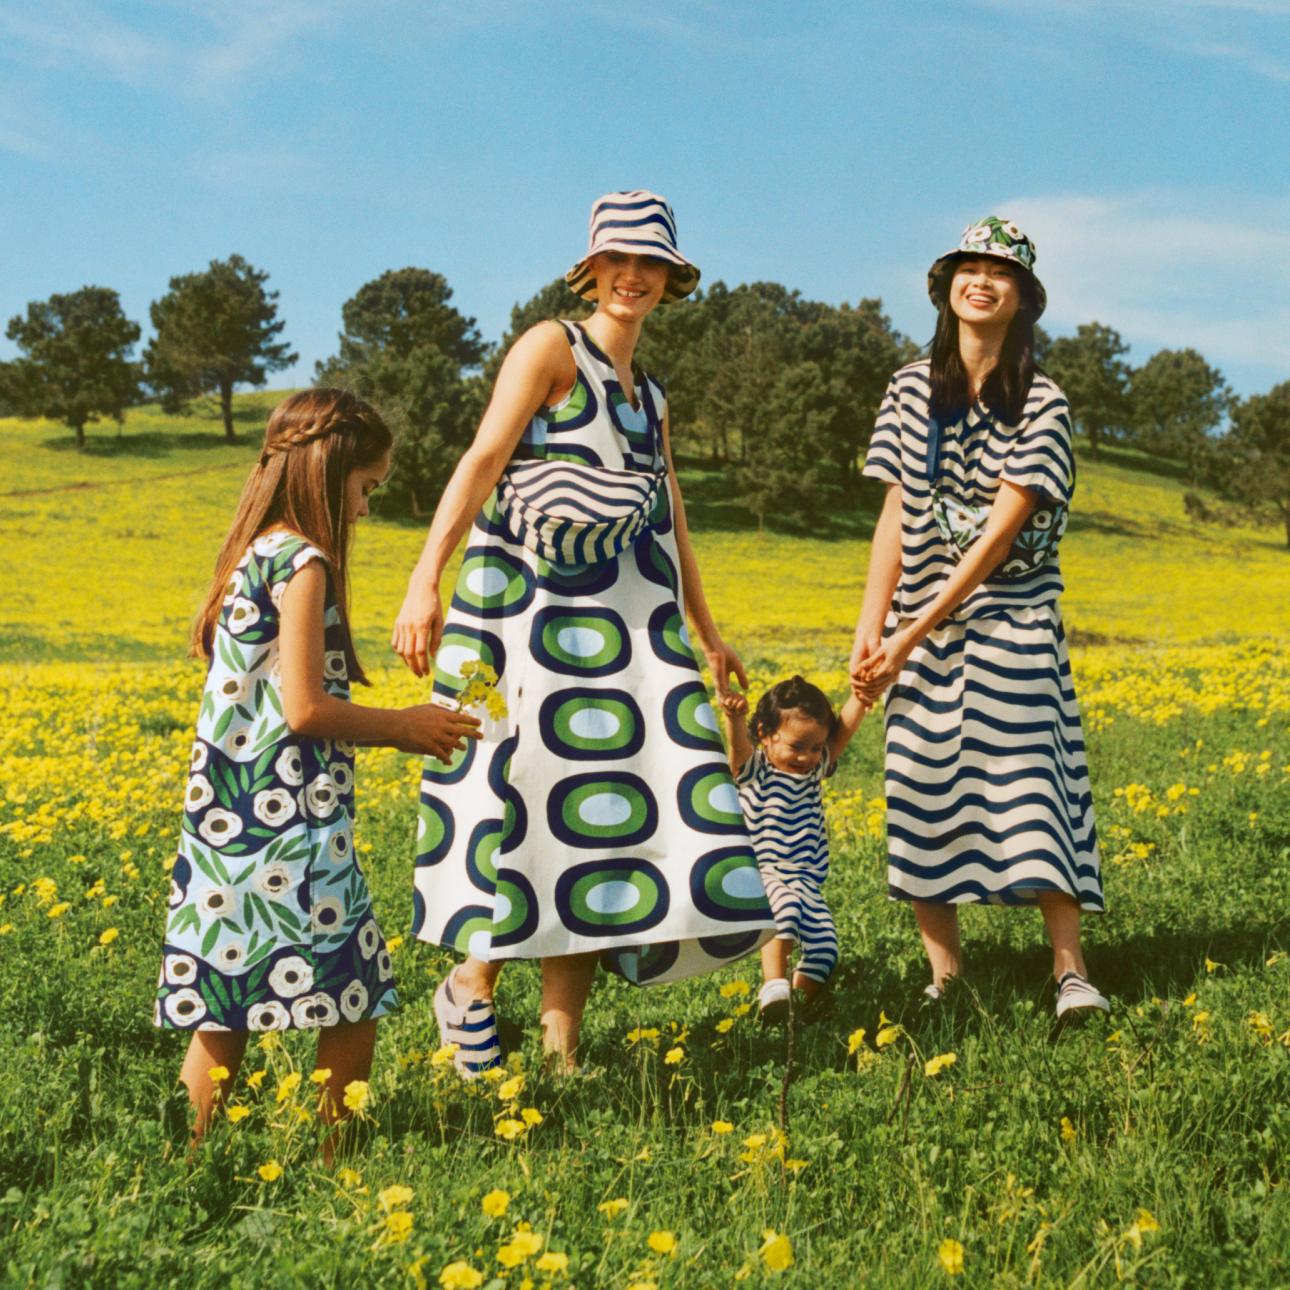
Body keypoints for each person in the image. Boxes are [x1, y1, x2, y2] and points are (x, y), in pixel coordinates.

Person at [392, 190, 776, 1073]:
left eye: (653, 265)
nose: (635, 277)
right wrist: (425, 578)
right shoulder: (548, 347)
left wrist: (708, 636)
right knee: (524, 789)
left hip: (625, 617)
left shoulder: (654, 396)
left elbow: (670, 515)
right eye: (620, 261)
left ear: (672, 281)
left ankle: (564, 1047)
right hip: (526, 610)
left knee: (601, 812)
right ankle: (472, 987)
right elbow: (484, 458)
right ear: (592, 267)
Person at [155, 388, 481, 1145]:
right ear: (332, 474)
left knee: (222, 1006)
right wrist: (404, 726)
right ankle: (338, 1154)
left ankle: (183, 1165)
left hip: (223, 826)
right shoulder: (305, 563)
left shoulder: (252, 554)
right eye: (366, 488)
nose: (366, 508)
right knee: (357, 993)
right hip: (288, 827)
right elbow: (303, 709)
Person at [851, 216, 1109, 1019]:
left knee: (1033, 781)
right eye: (970, 267)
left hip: (1014, 613)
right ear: (947, 286)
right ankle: (947, 978)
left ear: (1023, 298)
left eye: (1001, 273)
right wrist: (871, 624)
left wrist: (908, 632)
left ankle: (1070, 972)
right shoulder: (908, 387)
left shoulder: (1044, 399)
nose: (982, 281)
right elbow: (896, 511)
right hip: (914, 618)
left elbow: (1000, 536)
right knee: (922, 781)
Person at [720, 677, 868, 1022]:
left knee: (825, 948)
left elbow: (843, 730)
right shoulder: (757, 769)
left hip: (806, 881)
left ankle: (793, 1008)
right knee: (783, 914)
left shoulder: (815, 770)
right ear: (766, 734)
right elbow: (738, 750)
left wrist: (861, 697)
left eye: (816, 747)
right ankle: (773, 985)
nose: (806, 756)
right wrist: (734, 719)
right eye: (797, 746)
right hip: (765, 873)